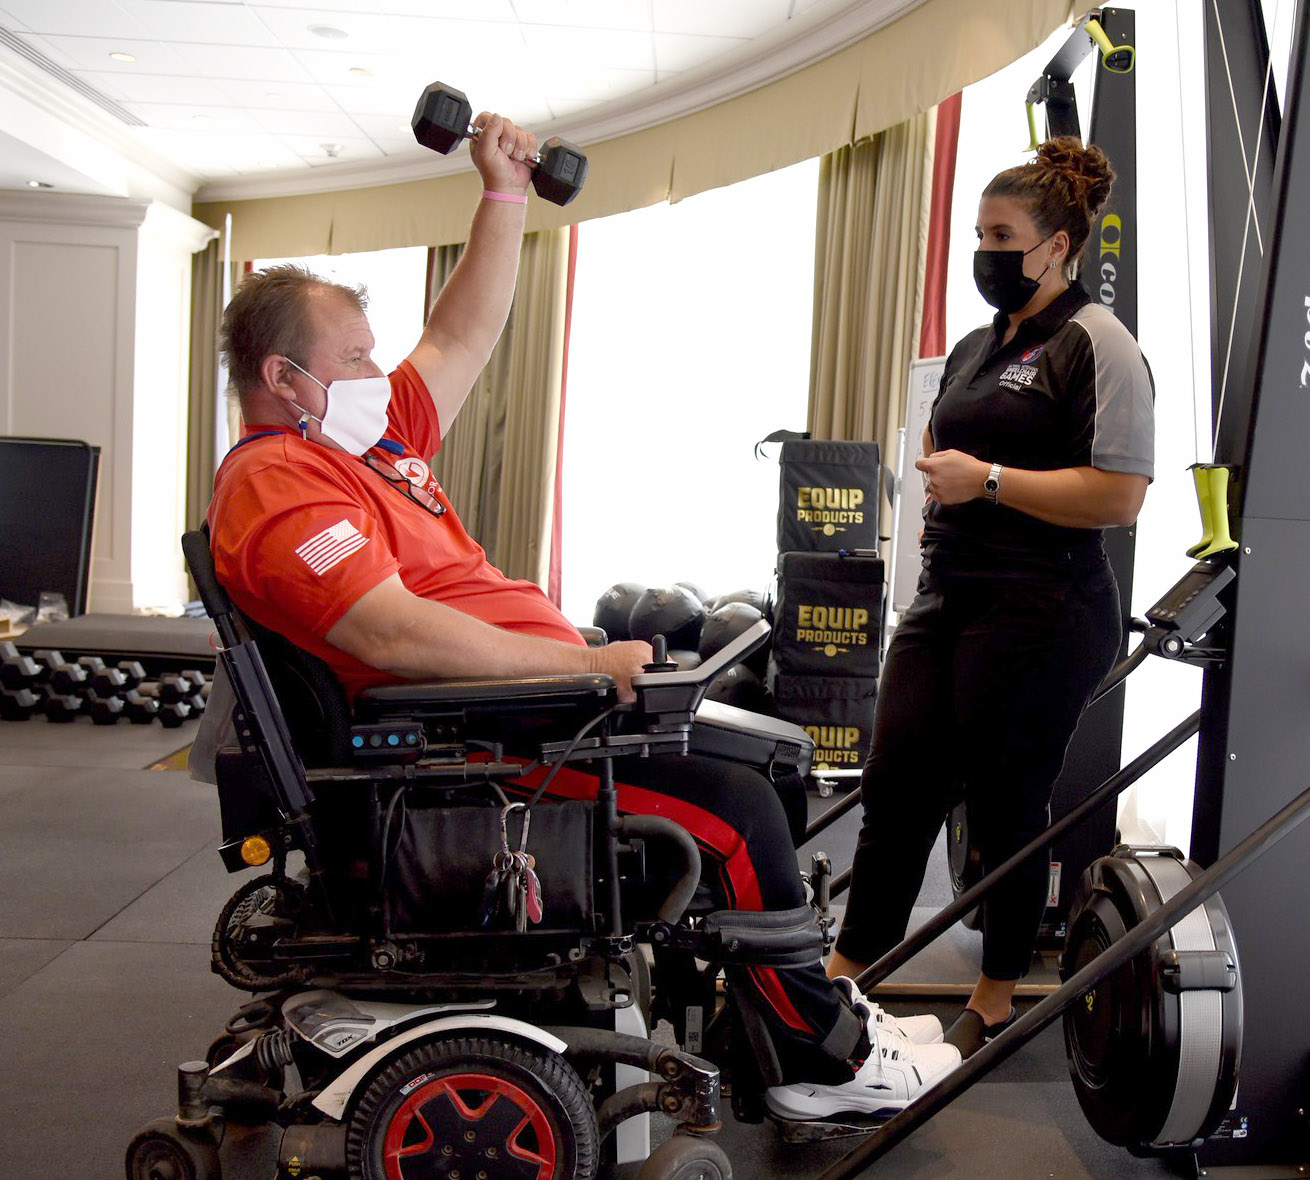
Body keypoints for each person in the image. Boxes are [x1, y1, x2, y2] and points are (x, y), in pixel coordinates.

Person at [205, 109, 958, 1120]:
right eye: (353, 358)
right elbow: (386, 635)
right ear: (281, 380)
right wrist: (570, 670)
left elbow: (463, 331)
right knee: (735, 818)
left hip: (534, 700)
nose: (378, 376)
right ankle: (818, 1066)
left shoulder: (364, 446)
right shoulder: (280, 482)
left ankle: (799, 1007)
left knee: (768, 764)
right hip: (479, 734)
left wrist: (503, 191)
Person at [824, 137, 1155, 1058]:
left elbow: (1119, 496)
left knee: (1007, 805)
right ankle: (848, 972)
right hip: (950, 594)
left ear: (1055, 246)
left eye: (1001, 235)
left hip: (1044, 606)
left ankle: (998, 992)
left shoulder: (1100, 343)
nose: (986, 252)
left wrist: (992, 481)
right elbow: (945, 441)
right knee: (895, 788)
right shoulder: (979, 344)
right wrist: (949, 472)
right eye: (978, 234)